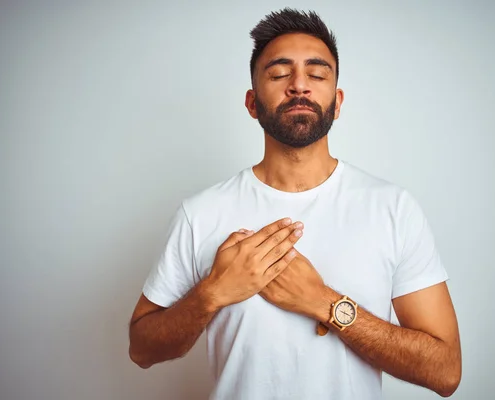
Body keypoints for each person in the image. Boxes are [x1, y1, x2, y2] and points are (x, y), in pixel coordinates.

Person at [128, 8, 461, 400]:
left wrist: (324, 302)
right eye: (279, 73)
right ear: (252, 103)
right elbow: (142, 349)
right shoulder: (200, 214)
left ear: (337, 102)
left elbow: (445, 371)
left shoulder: (392, 208)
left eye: (317, 74)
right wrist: (213, 292)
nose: (299, 85)